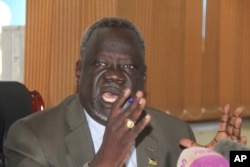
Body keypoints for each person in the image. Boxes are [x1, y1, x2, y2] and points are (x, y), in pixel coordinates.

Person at [3, 17, 247, 167]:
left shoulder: (172, 132)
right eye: (100, 64)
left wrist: (227, 160)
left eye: (128, 67)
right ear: (79, 71)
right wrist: (105, 161)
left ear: (143, 77)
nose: (114, 75)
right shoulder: (32, 138)